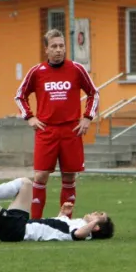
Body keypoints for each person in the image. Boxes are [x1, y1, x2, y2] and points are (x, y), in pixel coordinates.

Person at [15, 29, 99, 219]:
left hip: (71, 131)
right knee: (40, 176)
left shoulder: (76, 69)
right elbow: (20, 95)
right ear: (46, 49)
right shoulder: (37, 72)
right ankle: (35, 221)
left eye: (61, 46)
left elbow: (94, 93)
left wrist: (87, 117)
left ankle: (65, 221)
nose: (59, 50)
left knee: (69, 177)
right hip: (47, 130)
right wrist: (29, 117)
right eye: (54, 46)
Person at [0, 178, 114, 243]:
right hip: (22, 223)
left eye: (99, 215)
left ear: (96, 227)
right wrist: (62, 213)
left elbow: (77, 234)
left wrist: (93, 222)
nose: (95, 212)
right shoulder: (76, 223)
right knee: (26, 183)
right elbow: (57, 230)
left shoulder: (82, 232)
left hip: (17, 230)